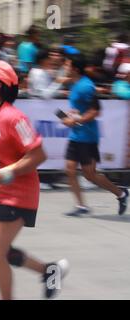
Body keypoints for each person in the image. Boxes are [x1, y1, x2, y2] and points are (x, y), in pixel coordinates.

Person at [0, 60, 69, 300]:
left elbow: (38, 154)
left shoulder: (14, 118)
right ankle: (50, 271)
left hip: (17, 194)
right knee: (0, 252)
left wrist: (7, 173)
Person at [62, 54, 128, 216]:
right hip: (75, 136)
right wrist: (71, 116)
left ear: (75, 69)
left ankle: (121, 193)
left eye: (67, 64)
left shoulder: (86, 86)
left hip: (87, 137)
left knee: (90, 174)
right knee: (69, 170)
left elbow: (96, 111)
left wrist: (76, 121)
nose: (64, 66)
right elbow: (80, 108)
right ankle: (81, 206)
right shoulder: (74, 84)